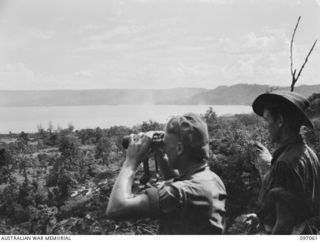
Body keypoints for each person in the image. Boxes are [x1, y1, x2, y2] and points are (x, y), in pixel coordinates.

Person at [106, 113, 226, 234]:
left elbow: (116, 209)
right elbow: (177, 180)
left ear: (179, 148)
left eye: (166, 144)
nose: (165, 147)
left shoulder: (182, 194)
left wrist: (131, 161)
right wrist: (161, 153)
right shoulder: (212, 180)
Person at [248, 91, 320, 234]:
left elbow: (284, 224)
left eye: (267, 120)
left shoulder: (285, 163)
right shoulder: (308, 153)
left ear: (280, 121)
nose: (266, 126)